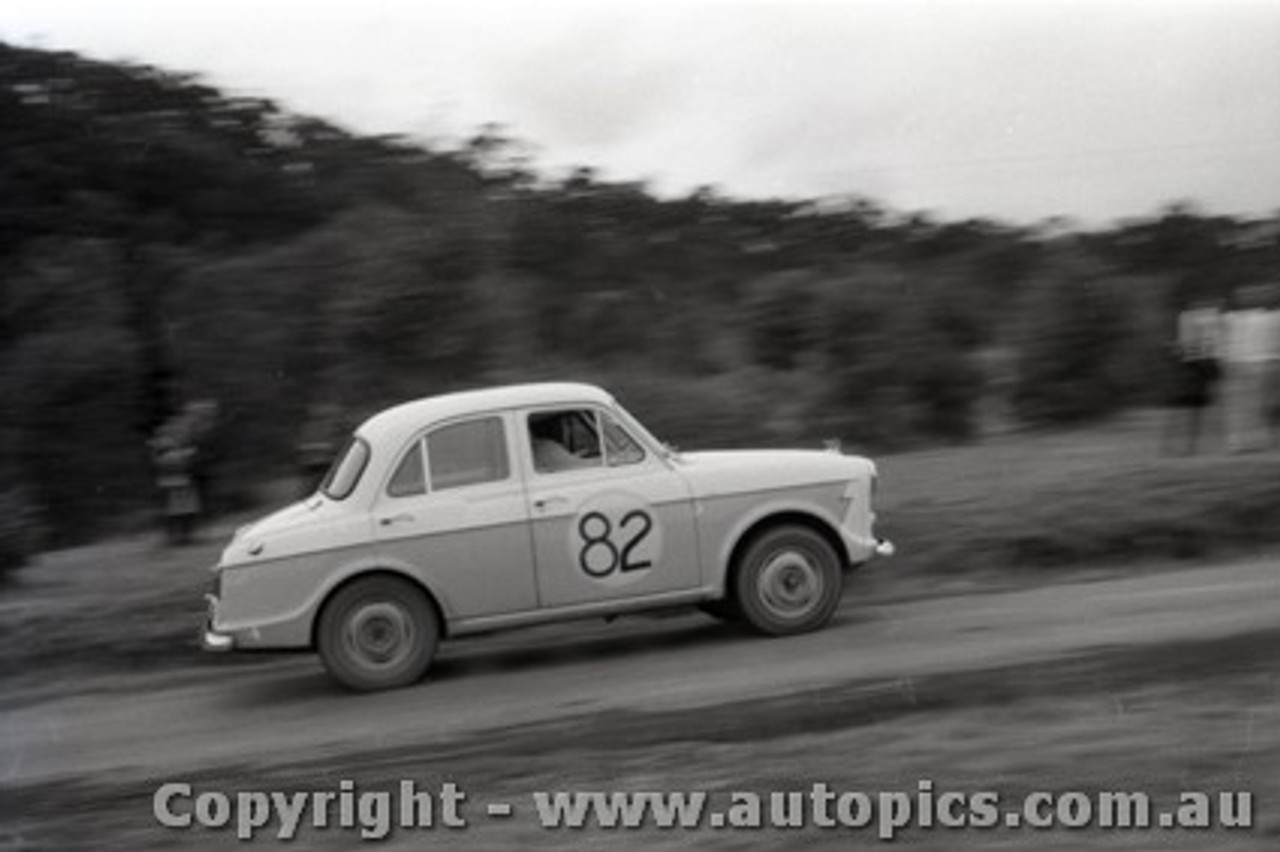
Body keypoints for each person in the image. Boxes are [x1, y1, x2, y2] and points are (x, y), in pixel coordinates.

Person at [1163, 297, 1222, 455]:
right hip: (1186, 378)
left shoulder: (1206, 329)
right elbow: (1174, 352)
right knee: (1182, 415)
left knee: (1193, 415)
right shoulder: (1184, 325)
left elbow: (1213, 364)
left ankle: (1188, 447)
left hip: (1196, 377)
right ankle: (1176, 447)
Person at [1221, 285, 1273, 452]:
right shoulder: (1261, 317)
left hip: (1244, 363)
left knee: (1243, 405)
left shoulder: (1232, 318)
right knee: (1250, 405)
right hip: (1248, 363)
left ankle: (1240, 443)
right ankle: (1243, 442)